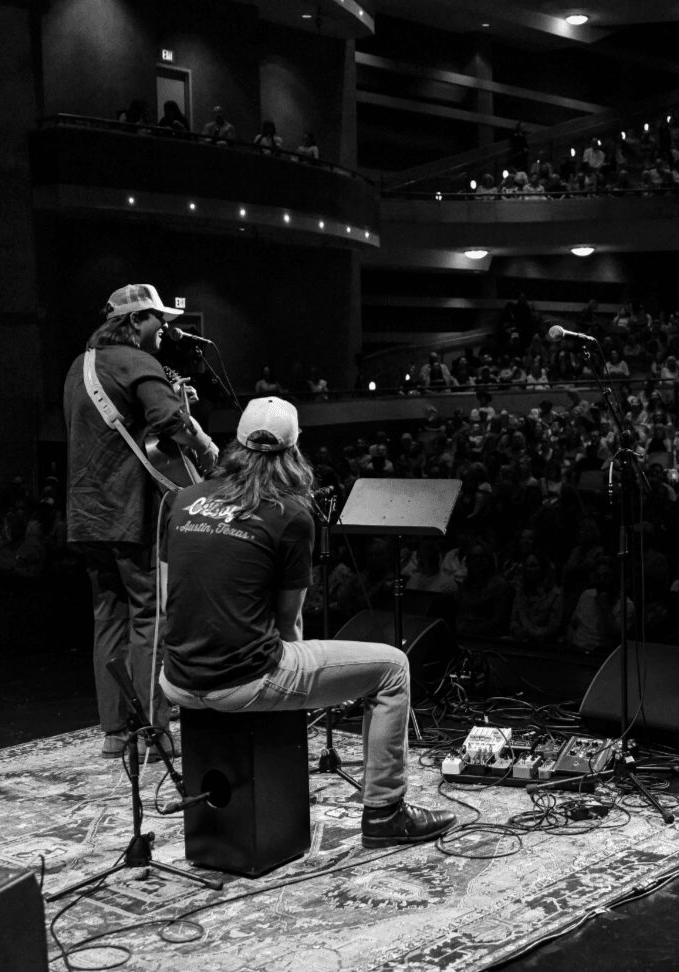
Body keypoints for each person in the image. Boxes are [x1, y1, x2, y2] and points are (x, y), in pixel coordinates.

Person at [158, 397, 455, 848]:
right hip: (242, 681)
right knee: (393, 668)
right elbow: (288, 620)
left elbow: (167, 604)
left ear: (235, 443)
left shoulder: (179, 501)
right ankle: (385, 813)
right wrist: (293, 699)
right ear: (295, 449)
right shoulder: (291, 513)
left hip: (176, 678)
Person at [63, 284, 219, 757]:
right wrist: (206, 444)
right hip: (131, 513)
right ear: (133, 322)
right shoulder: (136, 362)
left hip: (86, 515)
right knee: (150, 615)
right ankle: (152, 730)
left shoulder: (79, 366)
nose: (164, 329)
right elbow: (170, 423)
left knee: (107, 616)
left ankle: (115, 731)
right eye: (157, 319)